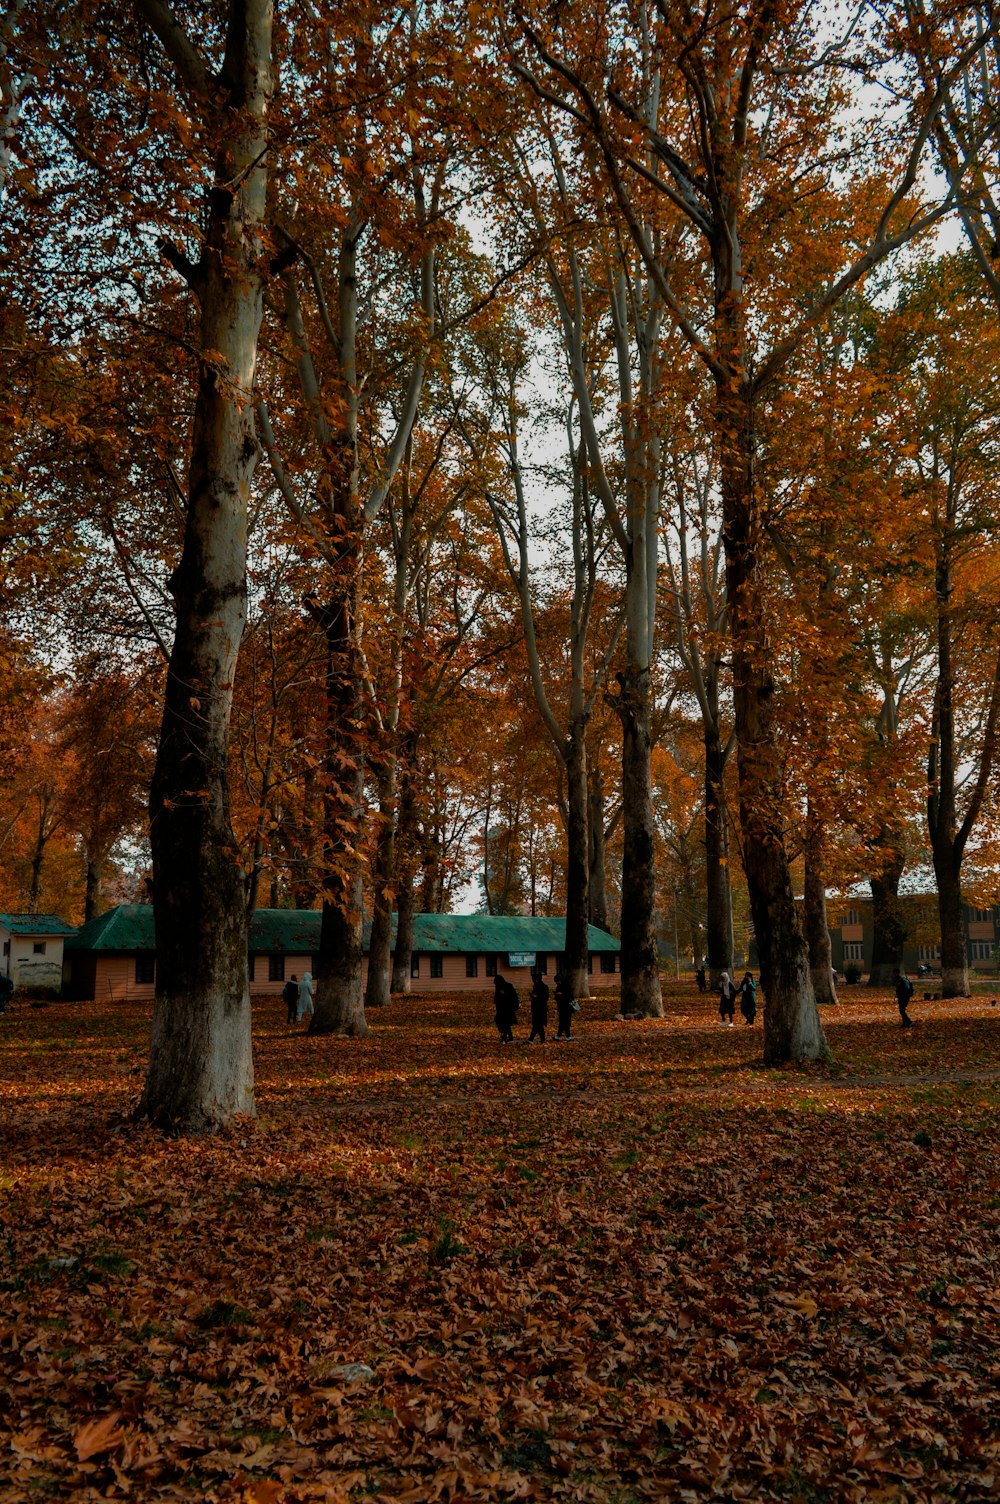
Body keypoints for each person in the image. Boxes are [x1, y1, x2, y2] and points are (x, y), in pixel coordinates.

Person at [493, 973, 519, 1043]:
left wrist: (504, 994)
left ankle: (505, 1037)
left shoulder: (508, 986)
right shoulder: (498, 987)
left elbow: (513, 996)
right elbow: (497, 998)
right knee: (502, 1022)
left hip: (508, 1008)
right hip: (501, 1009)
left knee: (505, 1023)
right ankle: (509, 1037)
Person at [528, 969, 549, 1044]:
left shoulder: (544, 987)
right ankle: (542, 1038)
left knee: (537, 1024)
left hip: (540, 1008)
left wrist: (536, 996)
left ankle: (531, 1039)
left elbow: (545, 998)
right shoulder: (535, 986)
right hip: (536, 1008)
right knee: (538, 1025)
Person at [554, 971, 576, 1041]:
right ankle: (559, 1036)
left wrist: (562, 995)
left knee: (566, 1022)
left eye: (557, 981)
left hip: (567, 1007)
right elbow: (557, 997)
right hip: (561, 1006)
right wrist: (557, 996)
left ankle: (567, 1036)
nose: (556, 983)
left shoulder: (566, 986)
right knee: (562, 1022)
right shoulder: (558, 987)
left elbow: (570, 996)